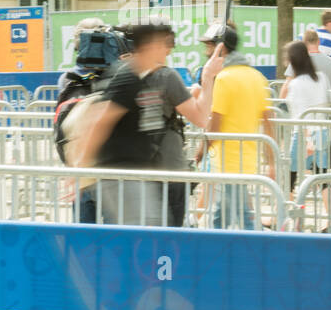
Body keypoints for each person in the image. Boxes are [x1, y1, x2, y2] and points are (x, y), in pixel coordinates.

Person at [77, 20, 211, 227]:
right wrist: (79, 171)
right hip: (124, 177)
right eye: (164, 44)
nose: (168, 50)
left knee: (146, 236)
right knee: (147, 237)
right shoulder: (130, 75)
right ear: (150, 45)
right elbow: (100, 121)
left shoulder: (133, 73)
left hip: (136, 175)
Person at [206, 26, 274, 230]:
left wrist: (202, 150)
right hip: (247, 158)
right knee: (233, 213)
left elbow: (216, 121)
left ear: (220, 49)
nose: (205, 53)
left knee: (226, 218)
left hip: (229, 158)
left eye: (208, 47)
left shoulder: (224, 78)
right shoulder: (257, 77)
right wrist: (271, 160)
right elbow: (267, 121)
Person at [281, 40, 331, 193]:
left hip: (303, 136)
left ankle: (287, 215)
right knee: (323, 178)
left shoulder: (296, 84)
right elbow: (328, 103)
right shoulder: (321, 78)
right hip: (322, 131)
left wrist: (308, 140)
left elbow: (300, 114)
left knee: (289, 179)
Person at [288, 28, 331, 93]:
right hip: (326, 102)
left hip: (303, 102)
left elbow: (287, 85)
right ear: (318, 41)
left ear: (303, 43)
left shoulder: (297, 61)